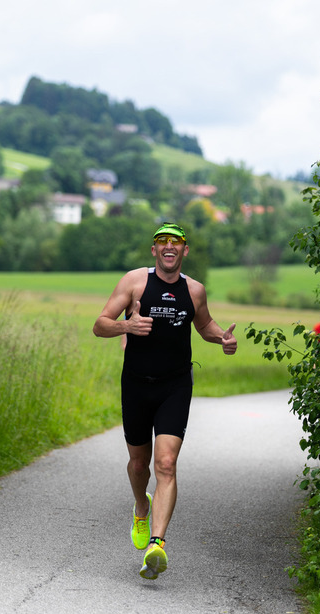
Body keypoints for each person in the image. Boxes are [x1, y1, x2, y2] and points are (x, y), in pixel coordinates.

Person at [93, 223, 237, 580]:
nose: (169, 246)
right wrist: (127, 327)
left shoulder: (195, 290)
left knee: (167, 463)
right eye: (162, 241)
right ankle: (141, 507)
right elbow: (100, 324)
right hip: (136, 385)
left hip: (175, 386)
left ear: (185, 250)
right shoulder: (135, 282)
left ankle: (157, 545)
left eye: (176, 242)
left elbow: (204, 325)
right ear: (154, 250)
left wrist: (222, 338)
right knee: (138, 465)